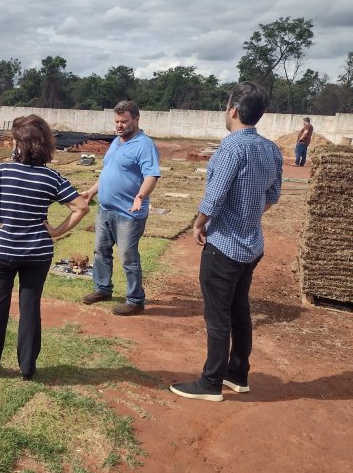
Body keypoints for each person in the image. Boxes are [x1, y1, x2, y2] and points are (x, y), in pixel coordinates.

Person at [170, 81, 283, 402]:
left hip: (225, 246)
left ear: (233, 110)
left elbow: (214, 197)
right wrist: (248, 214)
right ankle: (237, 374)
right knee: (239, 310)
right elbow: (273, 196)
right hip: (250, 246)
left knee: (217, 315)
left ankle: (210, 383)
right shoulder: (271, 149)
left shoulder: (232, 148)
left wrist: (198, 224)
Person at [0, 114, 89, 380]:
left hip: (3, 251)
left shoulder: (1, 171)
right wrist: (55, 231)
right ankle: (27, 367)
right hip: (37, 253)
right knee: (30, 306)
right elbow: (81, 207)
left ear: (18, 143)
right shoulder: (52, 177)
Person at [79, 101, 160, 315]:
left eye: (124, 121)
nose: (119, 125)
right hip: (105, 210)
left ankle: (135, 300)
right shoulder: (116, 142)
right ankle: (102, 288)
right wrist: (91, 191)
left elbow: (151, 175)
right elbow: (109, 171)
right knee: (101, 251)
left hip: (128, 214)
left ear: (136, 119)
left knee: (128, 256)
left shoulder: (145, 145)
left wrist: (141, 196)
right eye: (116, 121)